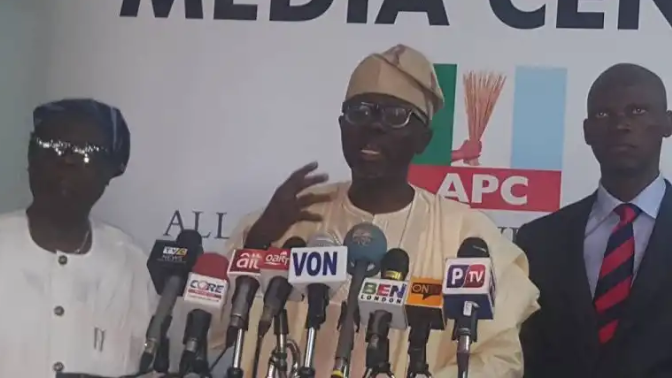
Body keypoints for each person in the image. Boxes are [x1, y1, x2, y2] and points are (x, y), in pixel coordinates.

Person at [213, 44, 540, 377]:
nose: (374, 126)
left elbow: (499, 359)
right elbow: (212, 336)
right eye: (360, 112)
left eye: (396, 116)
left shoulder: (467, 233)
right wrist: (257, 242)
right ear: (342, 125)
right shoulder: (290, 219)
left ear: (423, 140)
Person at [517, 63, 672, 378]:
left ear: (667, 123)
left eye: (638, 111)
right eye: (604, 114)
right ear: (587, 131)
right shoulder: (539, 240)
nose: (620, 125)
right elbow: (525, 352)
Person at [0, 99, 160, 377]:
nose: (66, 162)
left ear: (110, 172)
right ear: (30, 162)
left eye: (88, 153)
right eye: (52, 148)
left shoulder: (131, 264)